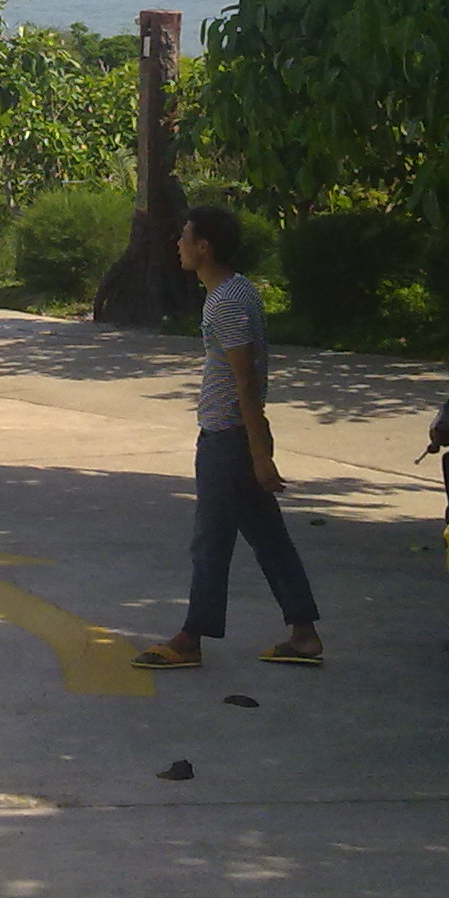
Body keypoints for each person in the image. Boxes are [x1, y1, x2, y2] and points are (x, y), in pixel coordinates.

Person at [133, 205, 324, 668]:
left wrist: (259, 452)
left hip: (228, 438)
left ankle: (190, 639)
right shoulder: (234, 291)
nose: (178, 244)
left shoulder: (227, 302)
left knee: (210, 541)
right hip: (236, 435)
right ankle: (303, 633)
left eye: (185, 237)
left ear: (205, 246)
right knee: (268, 537)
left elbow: (246, 379)